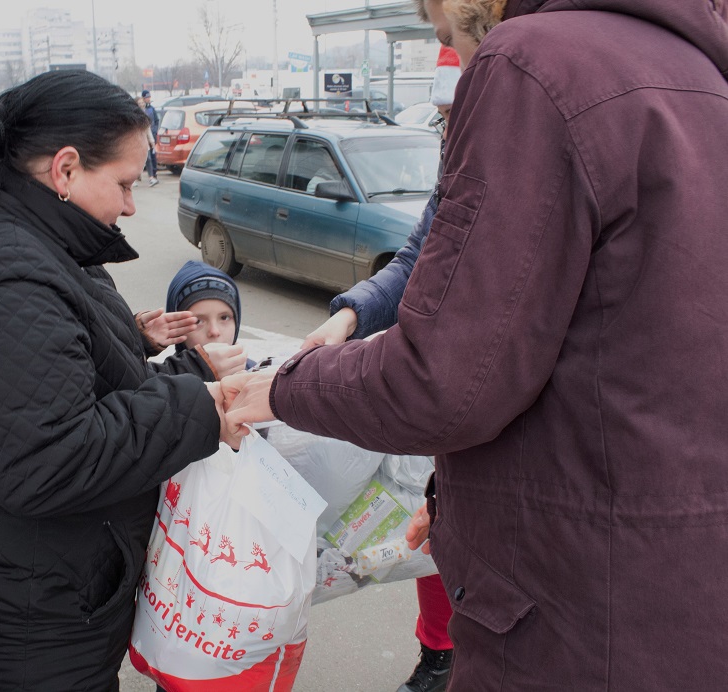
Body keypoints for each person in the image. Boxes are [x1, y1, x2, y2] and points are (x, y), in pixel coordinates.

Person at [223, 0, 728, 689]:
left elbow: (445, 380)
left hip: (573, 612)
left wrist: (278, 388)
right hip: (675, 581)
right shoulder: (694, 70)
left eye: (444, 35)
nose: (454, 64)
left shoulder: (534, 62)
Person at [0, 69, 241, 691]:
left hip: (19, 581)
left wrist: (137, 340)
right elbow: (47, 458)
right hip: (24, 619)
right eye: (126, 183)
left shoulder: (28, 242)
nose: (132, 204)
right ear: (66, 168)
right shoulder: (4, 275)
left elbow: (39, 363)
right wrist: (202, 402)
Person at [303, 43, 462, 692]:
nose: (451, 131)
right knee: (436, 539)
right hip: (454, 411)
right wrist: (345, 318)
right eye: (445, 118)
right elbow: (414, 260)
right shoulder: (458, 169)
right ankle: (439, 659)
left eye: (459, 114)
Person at [165, 260, 251, 374]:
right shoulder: (164, 386)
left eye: (224, 317)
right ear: (177, 329)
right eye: (198, 321)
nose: (214, 331)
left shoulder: (259, 377)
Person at [140, 89, 159, 186]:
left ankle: (153, 175)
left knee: (151, 157)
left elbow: (156, 121)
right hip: (143, 138)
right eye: (147, 97)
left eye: (149, 97)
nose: (148, 99)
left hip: (151, 136)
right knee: (145, 158)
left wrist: (154, 131)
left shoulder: (152, 109)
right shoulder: (141, 111)